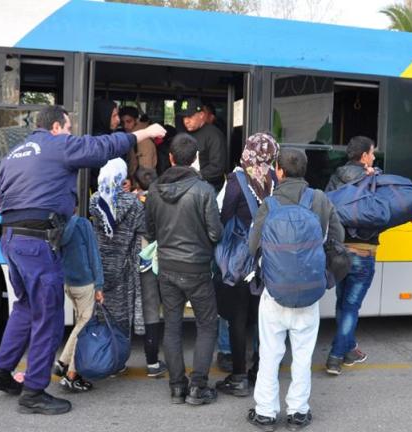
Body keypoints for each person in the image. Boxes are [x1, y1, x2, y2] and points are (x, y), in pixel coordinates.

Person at [0, 105, 165, 415]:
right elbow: (101, 147)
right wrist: (145, 133)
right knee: (48, 316)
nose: (70, 134)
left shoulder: (14, 154)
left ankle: (0, 371)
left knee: (25, 307)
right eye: (68, 128)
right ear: (55, 127)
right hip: (38, 243)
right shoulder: (56, 144)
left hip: (11, 240)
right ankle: (34, 393)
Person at [246, 149, 343, 431]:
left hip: (274, 293)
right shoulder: (321, 200)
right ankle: (298, 412)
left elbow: (253, 246)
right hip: (309, 293)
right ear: (305, 170)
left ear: (279, 171)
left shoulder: (269, 204)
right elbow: (338, 238)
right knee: (303, 354)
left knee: (270, 353)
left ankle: (265, 412)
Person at [145, 133, 223, 405]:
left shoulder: (154, 189)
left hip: (166, 267)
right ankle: (198, 387)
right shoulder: (204, 190)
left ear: (170, 158)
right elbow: (216, 233)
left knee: (173, 326)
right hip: (198, 268)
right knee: (206, 325)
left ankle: (177, 387)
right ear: (196, 160)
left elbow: (149, 231)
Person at [214, 132, 279, 397]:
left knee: (238, 319)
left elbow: (223, 216)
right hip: (268, 257)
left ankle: (239, 376)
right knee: (263, 317)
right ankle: (259, 371)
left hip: (242, 260)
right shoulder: (274, 178)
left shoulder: (237, 180)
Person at [324, 136, 378, 375]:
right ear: (364, 156)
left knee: (342, 301)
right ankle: (336, 356)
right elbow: (382, 213)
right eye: (373, 153)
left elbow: (327, 208)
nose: (374, 157)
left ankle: (349, 348)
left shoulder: (335, 177)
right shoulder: (374, 178)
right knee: (351, 306)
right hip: (363, 252)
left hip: (339, 250)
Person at [89, 158, 148, 360]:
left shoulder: (95, 200)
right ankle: (118, 359)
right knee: (122, 314)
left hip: (100, 266)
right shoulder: (134, 203)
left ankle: (104, 354)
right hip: (124, 266)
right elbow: (145, 230)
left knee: (102, 312)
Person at [52, 213, 103, 392]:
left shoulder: (56, 224)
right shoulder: (82, 224)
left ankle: (62, 362)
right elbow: (93, 254)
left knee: (80, 323)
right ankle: (71, 374)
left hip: (68, 283)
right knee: (84, 328)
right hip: (84, 283)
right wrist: (99, 285)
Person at [131, 166, 168, 377]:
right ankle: (153, 363)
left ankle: (115, 363)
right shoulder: (163, 200)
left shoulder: (130, 202)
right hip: (154, 262)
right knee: (152, 310)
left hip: (131, 262)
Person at [176, 98, 227, 192]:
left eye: (190, 116)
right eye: (184, 117)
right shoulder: (183, 134)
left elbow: (217, 167)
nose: (186, 121)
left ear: (201, 115)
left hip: (209, 189)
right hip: (185, 187)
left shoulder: (214, 135)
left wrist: (193, 176)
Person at [120, 106, 158, 176]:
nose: (125, 126)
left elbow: (146, 173)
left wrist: (136, 186)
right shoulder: (134, 137)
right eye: (122, 122)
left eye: (129, 121)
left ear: (136, 120)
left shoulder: (143, 140)